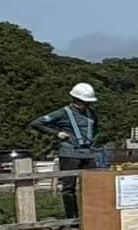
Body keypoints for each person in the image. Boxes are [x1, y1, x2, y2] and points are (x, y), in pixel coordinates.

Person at [29, 83, 100, 219]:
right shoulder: (62, 113)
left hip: (88, 153)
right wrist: (56, 133)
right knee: (69, 187)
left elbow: (96, 128)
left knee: (93, 186)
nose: (85, 104)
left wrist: (91, 140)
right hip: (69, 153)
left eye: (87, 102)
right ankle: (72, 218)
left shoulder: (92, 114)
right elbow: (37, 123)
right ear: (75, 99)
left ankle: (91, 217)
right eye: (82, 101)